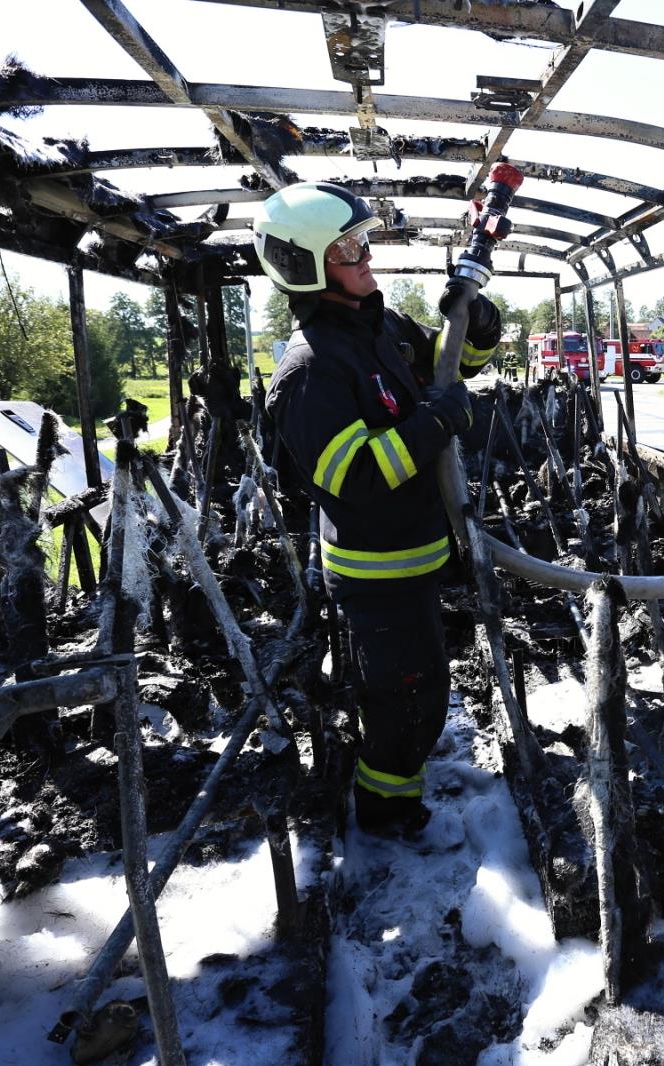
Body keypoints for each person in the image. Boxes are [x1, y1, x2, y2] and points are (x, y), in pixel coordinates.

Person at [256, 182, 503, 835]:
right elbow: (359, 476)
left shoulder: (382, 328)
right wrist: (439, 422)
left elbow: (459, 361)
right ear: (306, 267)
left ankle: (395, 797)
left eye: (364, 241)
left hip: (415, 556)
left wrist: (476, 319)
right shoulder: (310, 369)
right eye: (348, 248)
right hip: (377, 570)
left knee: (419, 693)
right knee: (403, 703)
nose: (366, 256)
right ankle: (387, 816)